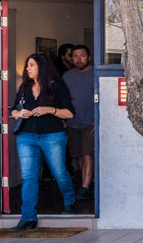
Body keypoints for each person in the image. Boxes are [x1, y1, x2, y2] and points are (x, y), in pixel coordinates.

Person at [9, 52, 76, 231]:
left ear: (42, 67)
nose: (27, 69)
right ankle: (27, 217)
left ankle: (69, 201)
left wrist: (50, 110)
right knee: (29, 177)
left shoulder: (56, 87)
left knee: (59, 171)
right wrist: (18, 114)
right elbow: (13, 110)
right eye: (27, 65)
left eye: (31, 65)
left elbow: (69, 113)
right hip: (26, 136)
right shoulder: (24, 87)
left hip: (52, 136)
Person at [62, 44, 96, 201]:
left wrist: (98, 119)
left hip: (90, 121)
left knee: (88, 153)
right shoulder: (67, 76)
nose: (78, 59)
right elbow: (63, 100)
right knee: (78, 155)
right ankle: (87, 182)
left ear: (89, 57)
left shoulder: (95, 74)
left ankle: (85, 186)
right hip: (72, 122)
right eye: (74, 56)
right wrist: (63, 119)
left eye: (82, 56)